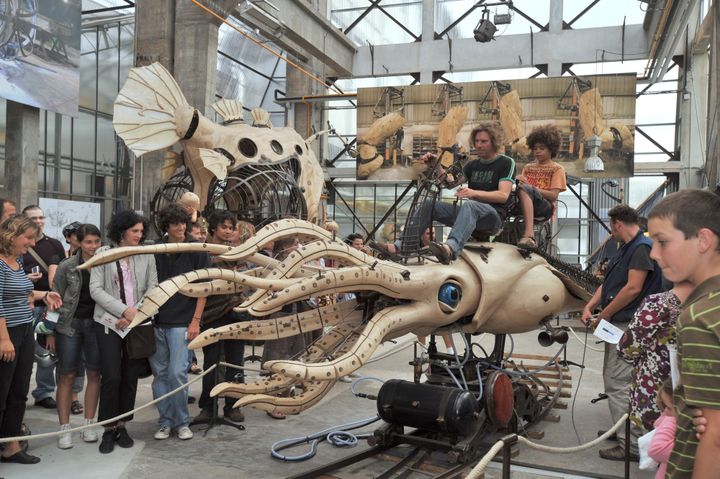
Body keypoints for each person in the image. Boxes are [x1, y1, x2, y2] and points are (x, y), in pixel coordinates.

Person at [647, 189, 720, 478]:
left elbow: (714, 438)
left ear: (703, 240)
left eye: (662, 242)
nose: (653, 253)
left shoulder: (699, 320)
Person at [581, 204, 663, 461]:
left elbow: (632, 289)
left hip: (628, 325)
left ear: (617, 223)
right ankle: (622, 430)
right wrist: (591, 304)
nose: (612, 232)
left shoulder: (641, 248)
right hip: (617, 324)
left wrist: (603, 315)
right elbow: (609, 283)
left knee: (617, 382)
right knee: (618, 378)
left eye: (611, 227)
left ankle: (630, 443)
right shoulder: (624, 248)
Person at [90, 210, 157, 454]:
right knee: (111, 376)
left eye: (141, 231)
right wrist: (122, 311)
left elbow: (153, 287)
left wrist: (134, 314)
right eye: (134, 231)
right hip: (107, 322)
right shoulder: (103, 254)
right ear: (121, 231)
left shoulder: (147, 254)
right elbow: (96, 290)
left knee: (130, 376)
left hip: (135, 324)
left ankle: (122, 425)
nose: (139, 236)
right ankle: (108, 429)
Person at [0, 215, 62, 464]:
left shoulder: (17, 260)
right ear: (11, 235)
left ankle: (11, 445)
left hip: (25, 330)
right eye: (28, 238)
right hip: (7, 333)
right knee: (1, 392)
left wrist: (45, 294)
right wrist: (4, 340)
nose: (32, 244)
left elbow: (23, 292)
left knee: (19, 390)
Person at [150, 204, 210, 441]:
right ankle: (165, 422)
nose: (181, 227)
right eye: (176, 223)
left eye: (184, 222)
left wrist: (195, 321)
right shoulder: (155, 248)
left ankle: (182, 422)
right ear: (167, 225)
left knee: (177, 373)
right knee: (160, 375)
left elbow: (204, 289)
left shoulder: (197, 249)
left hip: (182, 322)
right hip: (156, 321)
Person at [425, 121, 516, 264]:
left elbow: (503, 196)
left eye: (484, 141)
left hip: (493, 217)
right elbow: (450, 183)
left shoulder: (506, 163)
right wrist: (436, 166)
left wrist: (473, 193)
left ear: (494, 142)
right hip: (471, 214)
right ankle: (400, 246)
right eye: (476, 141)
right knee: (429, 205)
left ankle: (450, 248)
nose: (478, 145)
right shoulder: (472, 165)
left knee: (471, 205)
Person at [52, 224, 103, 449]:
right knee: (66, 375)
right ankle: (64, 428)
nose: (93, 246)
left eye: (96, 241)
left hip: (96, 325)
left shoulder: (105, 263)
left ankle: (89, 423)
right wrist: (50, 333)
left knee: (94, 374)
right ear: (78, 243)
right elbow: (55, 300)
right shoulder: (67, 267)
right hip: (68, 326)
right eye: (88, 242)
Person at [617, 281, 692, 433]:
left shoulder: (658, 304)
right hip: (698, 398)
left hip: (657, 395)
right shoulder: (710, 306)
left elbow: (628, 348)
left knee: (656, 447)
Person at [195, 210, 246, 424]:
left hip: (236, 314)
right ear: (214, 228)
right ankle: (208, 406)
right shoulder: (204, 252)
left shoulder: (240, 252)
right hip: (212, 315)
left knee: (236, 362)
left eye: (231, 227)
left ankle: (233, 405)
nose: (227, 231)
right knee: (211, 362)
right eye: (223, 226)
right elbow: (201, 286)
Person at [22, 205, 65, 409]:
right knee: (22, 352)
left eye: (41, 217)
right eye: (33, 218)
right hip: (23, 304)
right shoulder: (17, 245)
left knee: (48, 350)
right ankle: (18, 392)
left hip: (48, 303)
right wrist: (25, 279)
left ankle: (44, 393)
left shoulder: (55, 244)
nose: (38, 221)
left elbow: (61, 277)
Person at [515, 124, 567, 248]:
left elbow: (553, 196)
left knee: (525, 189)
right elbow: (522, 187)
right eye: (535, 148)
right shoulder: (528, 167)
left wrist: (530, 188)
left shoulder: (557, 169)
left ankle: (529, 235)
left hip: (545, 206)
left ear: (551, 149)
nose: (537, 151)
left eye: (542, 148)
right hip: (526, 200)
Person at [647, 379, 676, 479]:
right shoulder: (672, 419)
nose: (666, 412)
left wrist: (671, 420)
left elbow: (656, 449)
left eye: (668, 407)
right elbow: (656, 449)